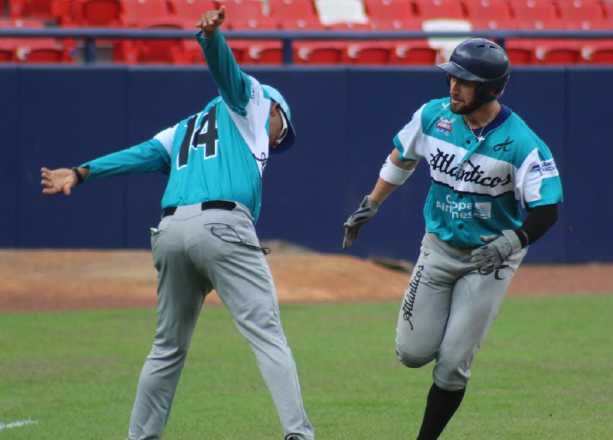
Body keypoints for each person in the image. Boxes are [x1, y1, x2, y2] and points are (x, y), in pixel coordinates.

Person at [40, 7, 314, 440]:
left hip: (169, 234)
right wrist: (211, 40)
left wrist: (81, 171)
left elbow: (138, 155)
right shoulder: (253, 103)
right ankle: (299, 435)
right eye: (284, 128)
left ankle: (140, 436)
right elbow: (230, 77)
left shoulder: (184, 129)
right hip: (222, 226)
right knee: (267, 335)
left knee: (167, 348)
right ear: (274, 109)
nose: (280, 138)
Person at [342, 38, 563, 439]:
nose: (454, 87)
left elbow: (547, 208)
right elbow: (401, 158)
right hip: (438, 249)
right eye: (452, 77)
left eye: (465, 81)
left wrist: (512, 243)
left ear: (492, 89)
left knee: (453, 363)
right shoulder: (432, 117)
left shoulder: (523, 143)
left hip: (489, 259)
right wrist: (371, 203)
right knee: (411, 353)